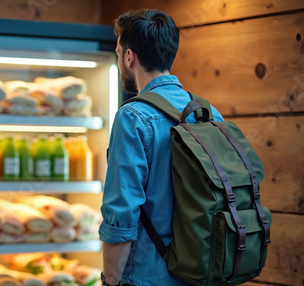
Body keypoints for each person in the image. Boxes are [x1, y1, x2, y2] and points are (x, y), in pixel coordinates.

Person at [99, 9, 224, 286]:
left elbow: (121, 214)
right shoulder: (210, 113)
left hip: (148, 277)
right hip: (205, 272)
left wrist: (110, 280)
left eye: (119, 52)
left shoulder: (133, 117)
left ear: (129, 57)